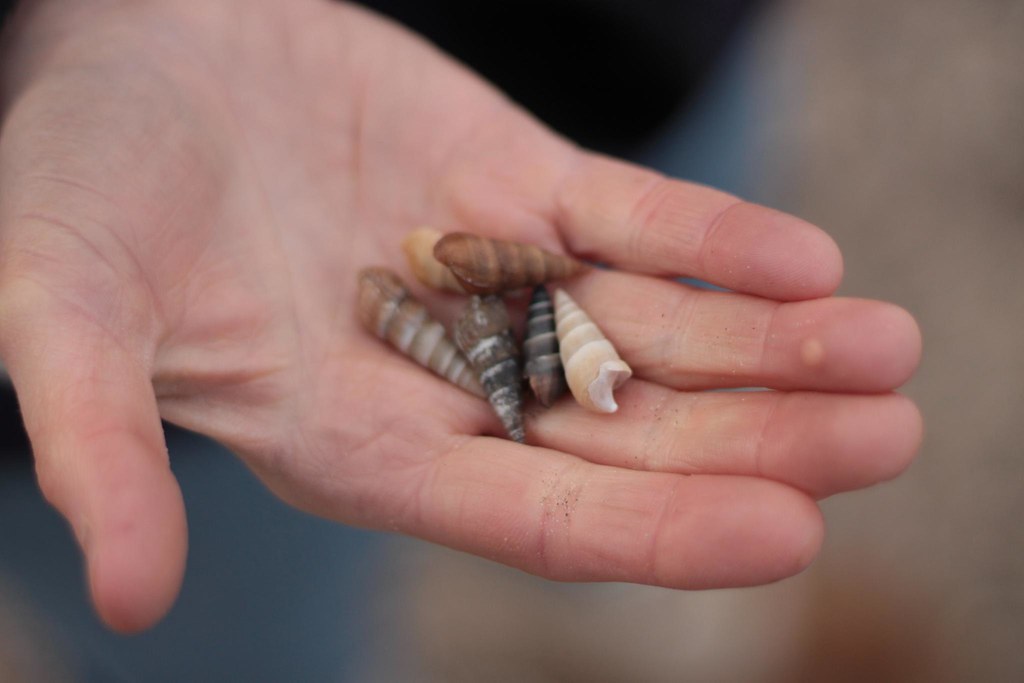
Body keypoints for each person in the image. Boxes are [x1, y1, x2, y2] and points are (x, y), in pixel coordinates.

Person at [0, 0, 922, 635]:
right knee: (252, 617)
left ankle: (669, 614)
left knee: (708, 256)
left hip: (656, 46)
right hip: (213, 312)